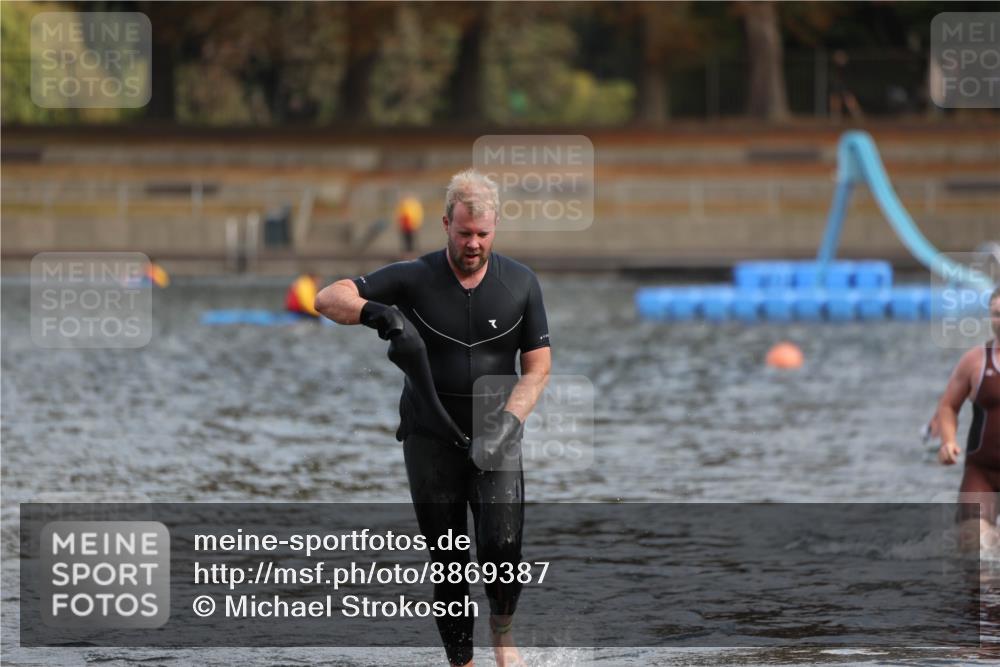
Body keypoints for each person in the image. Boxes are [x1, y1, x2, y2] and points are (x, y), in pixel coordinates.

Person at [315, 169, 552, 667]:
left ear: (496, 227)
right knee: (447, 560)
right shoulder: (414, 277)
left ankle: (503, 633)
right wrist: (379, 314)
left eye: (482, 234)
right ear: (445, 223)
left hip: (497, 430)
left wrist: (509, 422)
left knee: (503, 547)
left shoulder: (521, 284)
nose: (472, 244)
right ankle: (462, 663)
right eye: (463, 232)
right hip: (429, 434)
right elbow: (328, 297)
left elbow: (537, 368)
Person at [936, 287, 1000, 550]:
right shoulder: (975, 361)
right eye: (997, 314)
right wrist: (947, 441)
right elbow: (948, 405)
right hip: (981, 471)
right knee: (975, 548)